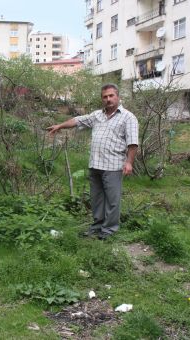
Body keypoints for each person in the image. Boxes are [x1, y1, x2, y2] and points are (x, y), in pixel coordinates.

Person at [47, 84, 139, 239]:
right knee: (97, 199)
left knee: (112, 200)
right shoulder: (97, 115)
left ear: (118, 96)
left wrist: (129, 162)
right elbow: (77, 120)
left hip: (113, 165)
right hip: (95, 165)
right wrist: (60, 126)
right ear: (102, 98)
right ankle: (97, 227)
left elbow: (133, 143)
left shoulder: (128, 117)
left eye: (111, 95)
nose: (108, 99)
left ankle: (108, 231)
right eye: (105, 96)